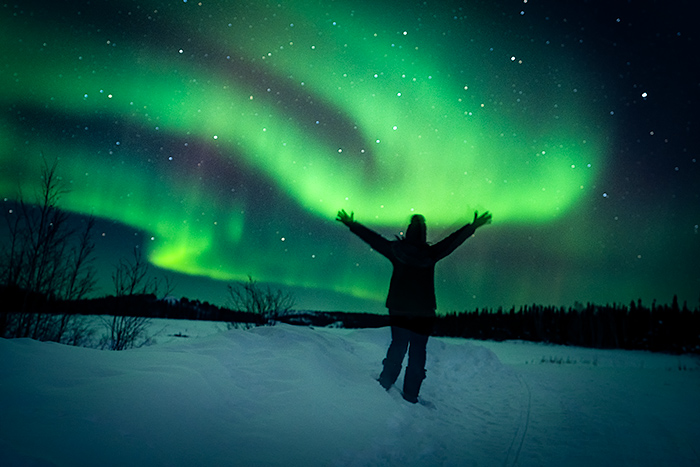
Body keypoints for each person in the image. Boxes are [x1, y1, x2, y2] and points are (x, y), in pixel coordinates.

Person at [336, 209, 492, 403]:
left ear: (408, 231)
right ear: (423, 233)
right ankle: (411, 395)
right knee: (418, 353)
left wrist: (351, 223)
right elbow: (452, 242)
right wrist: (472, 226)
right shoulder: (431, 253)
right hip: (424, 313)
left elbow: (373, 239)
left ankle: (385, 383)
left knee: (398, 346)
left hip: (399, 309)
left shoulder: (396, 250)